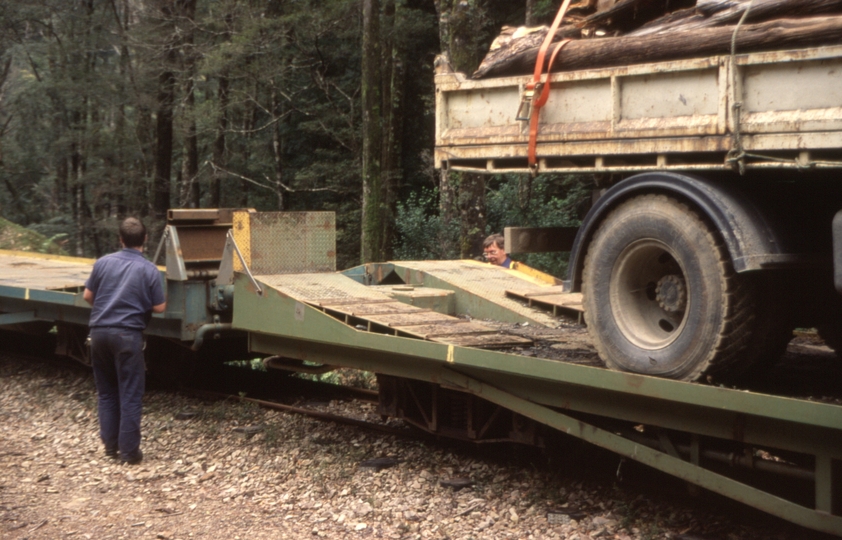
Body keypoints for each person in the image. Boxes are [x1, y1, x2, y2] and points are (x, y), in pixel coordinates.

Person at [83, 217, 166, 465]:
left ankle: (110, 448)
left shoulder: (103, 263)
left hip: (98, 333)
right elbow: (159, 307)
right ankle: (129, 453)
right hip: (127, 335)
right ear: (145, 240)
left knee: (107, 393)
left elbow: (88, 296)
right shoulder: (149, 269)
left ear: (120, 239)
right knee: (130, 394)